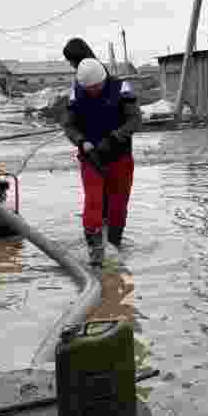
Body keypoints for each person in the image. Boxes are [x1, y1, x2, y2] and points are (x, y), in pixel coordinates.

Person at [62, 50, 142, 266]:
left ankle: (115, 245)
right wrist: (81, 141)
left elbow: (135, 120)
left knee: (118, 205)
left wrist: (114, 138)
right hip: (91, 157)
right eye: (89, 89)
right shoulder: (76, 93)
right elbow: (68, 124)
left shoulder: (121, 88)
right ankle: (95, 252)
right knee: (93, 203)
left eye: (97, 87)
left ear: (104, 80)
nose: (93, 92)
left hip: (119, 157)